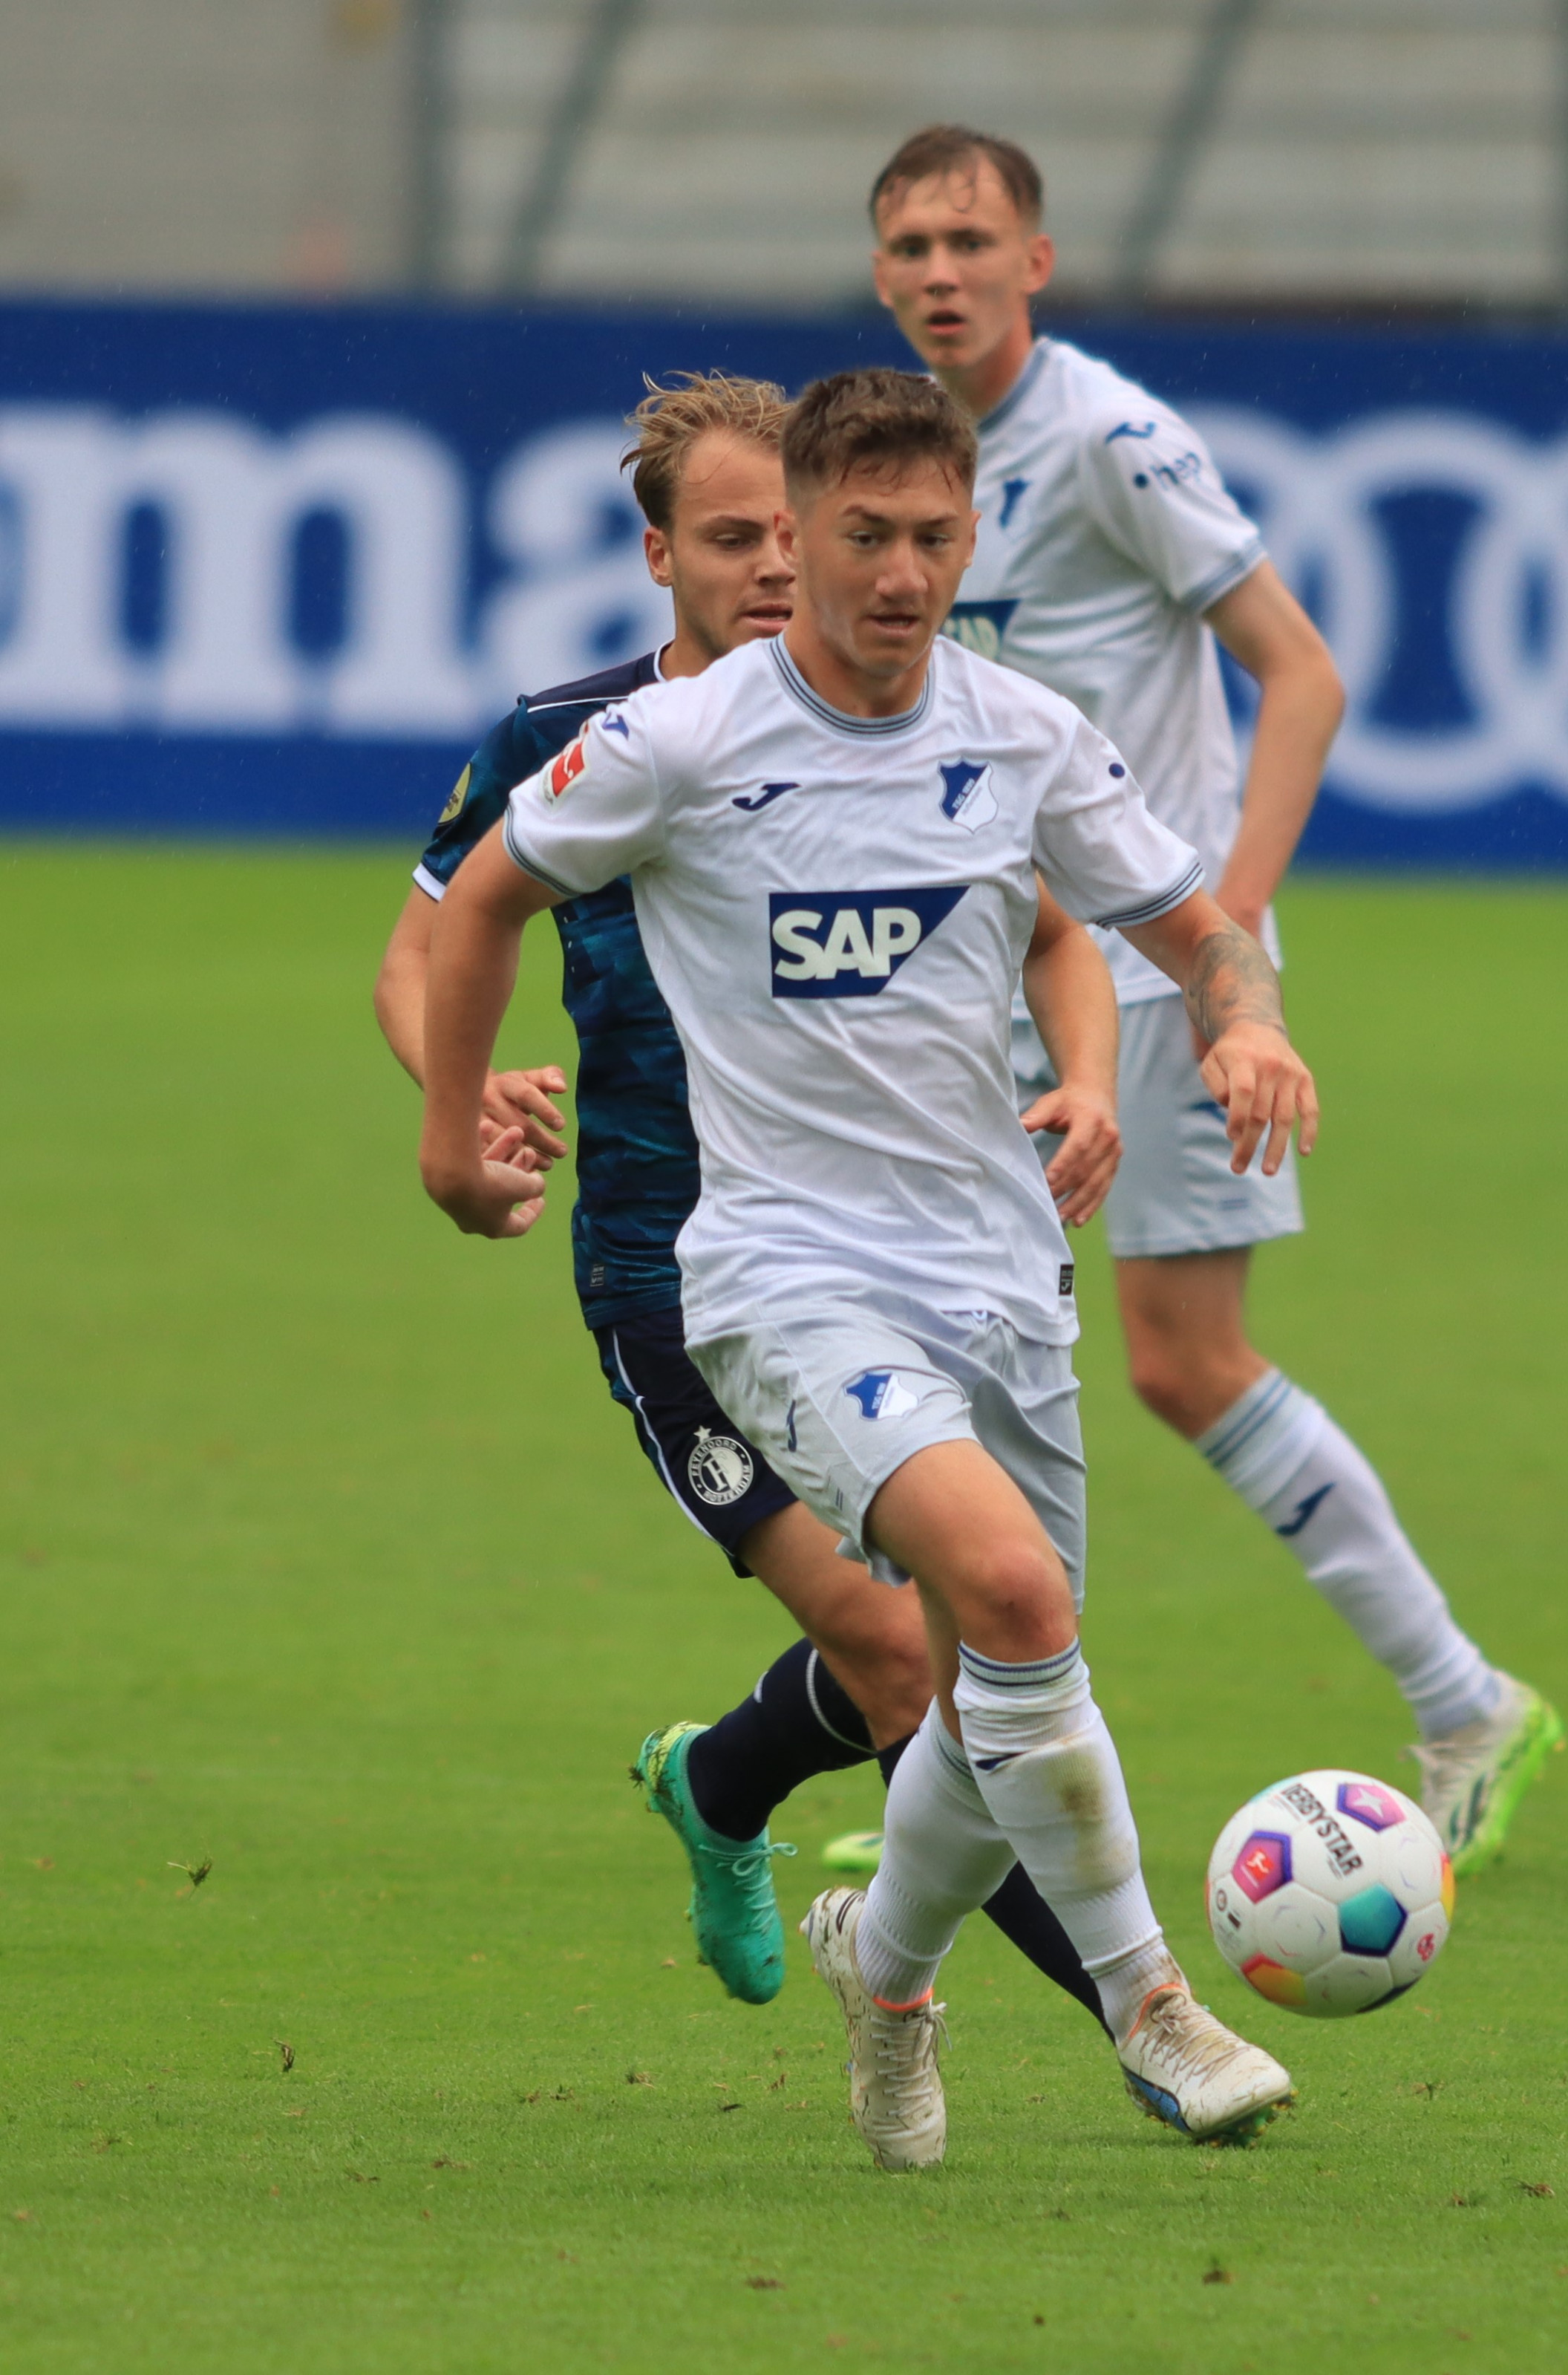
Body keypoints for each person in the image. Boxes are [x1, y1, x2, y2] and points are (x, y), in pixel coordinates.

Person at [416, 367, 1307, 2161]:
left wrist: (1246, 1021)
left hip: (998, 1276)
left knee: (990, 1689)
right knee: (1010, 1606)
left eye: (934, 538)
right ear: (804, 535)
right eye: (862, 536)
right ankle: (1153, 2006)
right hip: (774, 1278)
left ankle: (883, 1977)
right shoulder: (677, 742)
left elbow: (1186, 924)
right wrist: (451, 1130)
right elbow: (485, 897)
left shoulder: (1025, 734)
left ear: (972, 539)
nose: (899, 574)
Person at [862, 123, 1562, 1871]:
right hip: (992, 978)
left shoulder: (1110, 439)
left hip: (1151, 976)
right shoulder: (909, 462)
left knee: (1183, 1360)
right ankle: (959, 1782)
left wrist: (1226, 938)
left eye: (970, 240)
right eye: (910, 246)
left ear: (1037, 260)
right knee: (939, 1361)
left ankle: (1466, 1699)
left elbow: (1300, 673)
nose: (941, 272)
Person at [375, 371, 1116, 2022]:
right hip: (671, 1265)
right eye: (731, 539)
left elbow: (1060, 930)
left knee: (936, 1638)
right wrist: (456, 1099)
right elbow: (422, 952)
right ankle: (1137, 2019)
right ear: (660, 555)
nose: (777, 565)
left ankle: (719, 1780)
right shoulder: (575, 738)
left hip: (898, 1258)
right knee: (912, 1652)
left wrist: (1090, 1075)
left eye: (797, 531)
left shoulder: (921, 724)